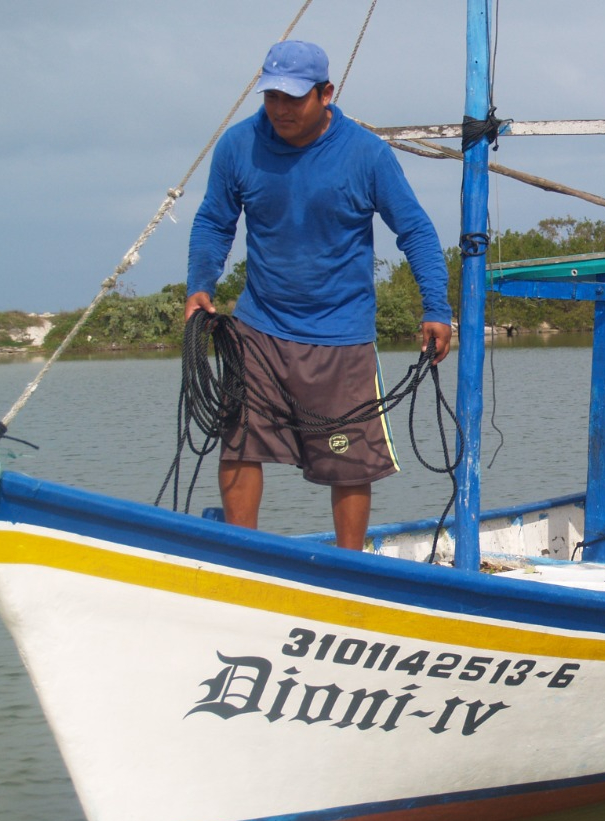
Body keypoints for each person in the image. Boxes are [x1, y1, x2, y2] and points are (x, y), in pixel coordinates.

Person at [184, 40, 453, 550]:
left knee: (348, 463)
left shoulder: (366, 153)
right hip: (259, 326)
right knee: (239, 443)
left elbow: (414, 230)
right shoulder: (238, 146)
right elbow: (214, 221)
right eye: (271, 98)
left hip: (341, 335)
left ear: (325, 93)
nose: (280, 110)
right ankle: (243, 559)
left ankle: (347, 569)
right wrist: (200, 285)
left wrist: (436, 308)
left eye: (293, 98)